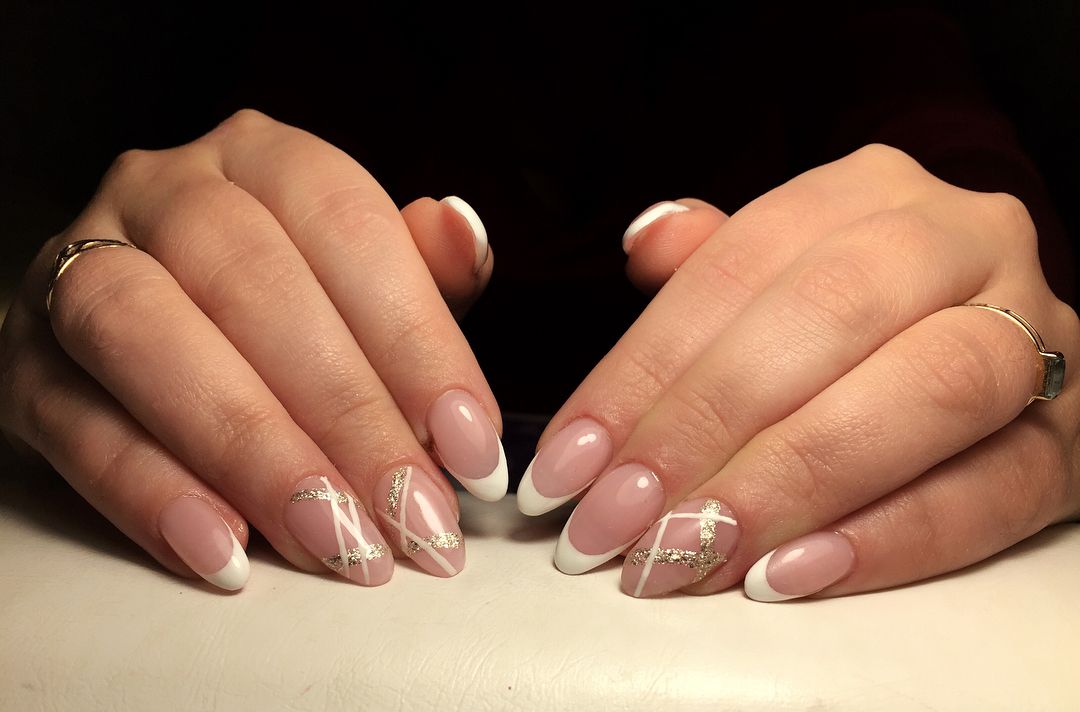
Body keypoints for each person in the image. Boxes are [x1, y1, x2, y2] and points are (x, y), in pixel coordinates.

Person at [1, 6, 1076, 601]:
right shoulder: (296, 39)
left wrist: (1020, 324)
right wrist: (88, 282)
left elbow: (960, 171)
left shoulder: (842, 36)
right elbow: (185, 152)